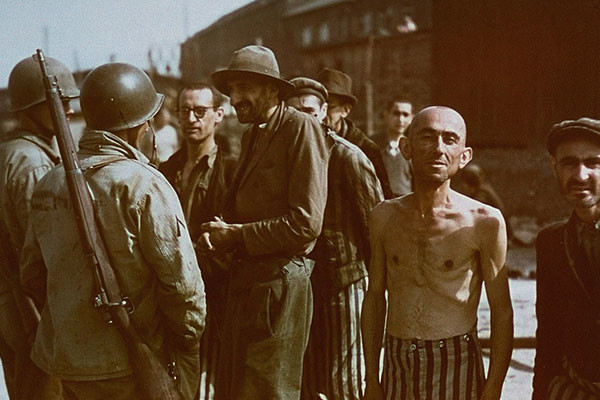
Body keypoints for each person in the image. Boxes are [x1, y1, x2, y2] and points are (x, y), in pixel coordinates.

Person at [19, 62, 206, 400]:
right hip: (129, 363)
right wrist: (186, 346)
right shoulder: (144, 184)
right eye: (149, 120)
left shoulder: (49, 182)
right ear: (139, 127)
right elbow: (182, 286)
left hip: (65, 363)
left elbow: (32, 274)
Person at [202, 45, 330, 399]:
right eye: (232, 90)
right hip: (251, 285)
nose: (235, 99)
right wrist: (220, 232)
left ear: (273, 89)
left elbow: (306, 224)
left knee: (267, 391)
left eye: (245, 88)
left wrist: (238, 235)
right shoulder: (253, 133)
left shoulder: (300, 128)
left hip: (280, 286)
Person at [362, 106, 513, 400]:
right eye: (427, 137)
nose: (438, 149)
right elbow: (375, 297)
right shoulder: (383, 217)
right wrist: (371, 377)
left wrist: (494, 386)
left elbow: (502, 310)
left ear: (465, 155)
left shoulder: (484, 221)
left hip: (457, 364)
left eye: (450, 139)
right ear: (406, 147)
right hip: (398, 363)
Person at [286, 77, 384, 399]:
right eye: (295, 112)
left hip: (346, 285)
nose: (304, 119)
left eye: (310, 111)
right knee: (308, 382)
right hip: (303, 287)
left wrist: (379, 291)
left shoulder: (348, 157)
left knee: (347, 383)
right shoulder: (286, 158)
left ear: (324, 111)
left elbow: (377, 229)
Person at [0, 55, 79, 399]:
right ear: (35, 107)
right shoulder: (31, 164)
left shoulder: (13, 152)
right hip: (33, 309)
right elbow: (43, 250)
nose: (71, 111)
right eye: (61, 103)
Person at [159, 82, 236, 400]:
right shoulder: (166, 171)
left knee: (209, 384)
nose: (191, 118)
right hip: (172, 296)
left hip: (215, 297)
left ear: (218, 115)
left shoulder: (232, 171)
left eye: (200, 111)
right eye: (184, 111)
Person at [533, 118, 600, 399]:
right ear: (555, 167)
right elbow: (549, 335)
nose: (580, 175)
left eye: (593, 163)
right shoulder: (551, 242)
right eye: (570, 163)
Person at [316, 68, 393, 199]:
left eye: (330, 107)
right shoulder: (308, 140)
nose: (322, 113)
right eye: (319, 106)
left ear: (345, 110)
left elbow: (384, 198)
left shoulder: (365, 148)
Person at [372, 97, 414, 197]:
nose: (400, 119)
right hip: (379, 201)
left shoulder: (414, 146)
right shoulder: (372, 144)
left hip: (406, 203)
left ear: (412, 118)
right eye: (396, 113)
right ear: (386, 115)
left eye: (405, 115)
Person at [140, 99, 182, 165]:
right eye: (163, 116)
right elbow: (142, 148)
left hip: (169, 163)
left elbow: (176, 147)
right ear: (158, 117)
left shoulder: (171, 131)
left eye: (167, 117)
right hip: (153, 164)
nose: (166, 119)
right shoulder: (149, 131)